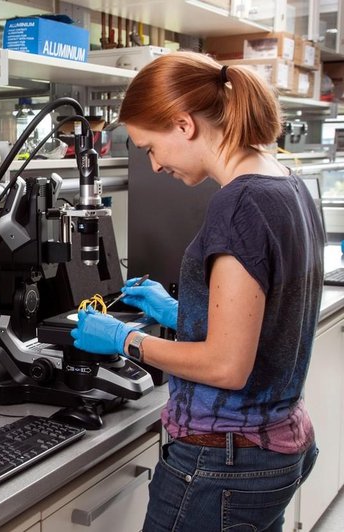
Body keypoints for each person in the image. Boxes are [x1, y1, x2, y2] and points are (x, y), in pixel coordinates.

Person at [71, 51, 324, 532]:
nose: (154, 163)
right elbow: (270, 316)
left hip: (222, 465)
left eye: (149, 146)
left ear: (183, 125)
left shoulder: (239, 204)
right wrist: (178, 310)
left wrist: (126, 340)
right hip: (275, 447)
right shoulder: (285, 183)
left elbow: (228, 366)